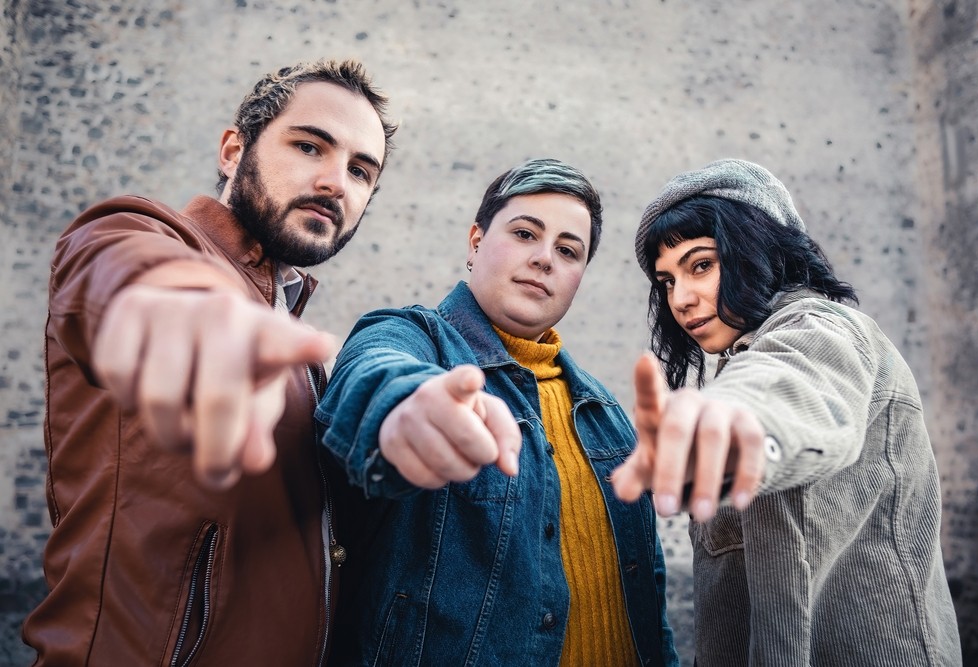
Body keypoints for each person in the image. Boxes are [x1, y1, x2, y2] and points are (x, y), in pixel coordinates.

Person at [23, 59, 396, 666]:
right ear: (232, 150)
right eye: (310, 146)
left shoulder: (291, 339)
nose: (335, 181)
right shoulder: (142, 235)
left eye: (360, 170)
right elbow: (122, 275)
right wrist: (181, 318)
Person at [316, 158, 679, 666]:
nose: (545, 258)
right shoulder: (412, 340)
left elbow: (648, 601)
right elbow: (374, 372)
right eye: (526, 233)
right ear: (475, 241)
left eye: (568, 250)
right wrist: (407, 411)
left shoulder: (603, 412)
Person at [612, 158, 962, 665]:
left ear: (759, 249)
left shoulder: (826, 327)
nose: (681, 299)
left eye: (701, 264)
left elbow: (792, 383)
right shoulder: (741, 359)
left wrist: (733, 422)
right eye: (666, 281)